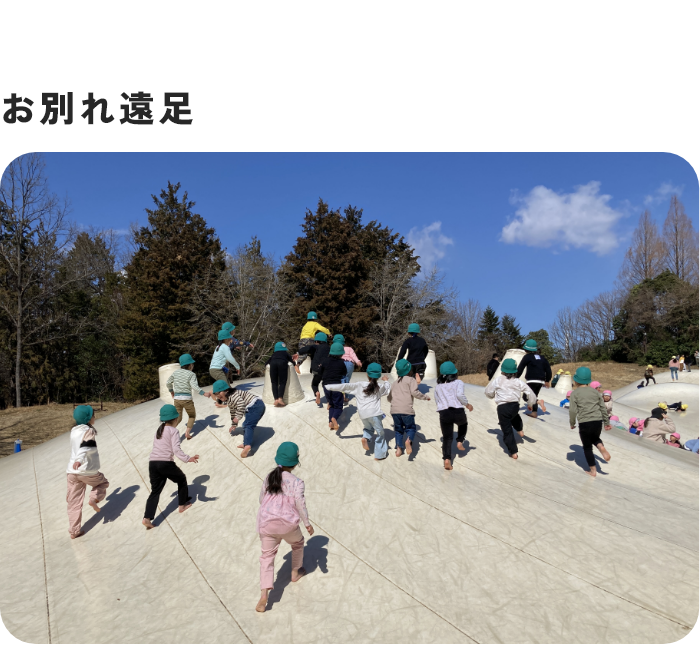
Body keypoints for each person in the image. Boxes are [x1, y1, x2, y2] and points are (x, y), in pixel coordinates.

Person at [256, 442, 313, 613]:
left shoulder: (270, 477)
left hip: (266, 523)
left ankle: (264, 595)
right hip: (288, 525)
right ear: (295, 463)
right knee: (298, 543)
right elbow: (300, 504)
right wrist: (307, 524)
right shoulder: (297, 482)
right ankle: (295, 572)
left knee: (267, 557)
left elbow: (261, 499)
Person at [142, 405, 199, 530]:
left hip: (153, 463)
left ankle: (147, 518)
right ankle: (182, 505)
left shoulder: (159, 429)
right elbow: (176, 449)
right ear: (176, 418)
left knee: (155, 491)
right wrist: (188, 458)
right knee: (181, 479)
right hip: (165, 463)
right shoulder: (174, 431)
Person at [325, 363, 391, 459]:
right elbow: (388, 389)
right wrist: (386, 381)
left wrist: (329, 387)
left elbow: (344, 386)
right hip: (374, 414)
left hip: (363, 415)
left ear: (367, 374)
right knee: (380, 433)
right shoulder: (380, 387)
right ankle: (379, 455)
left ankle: (365, 438)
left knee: (368, 428)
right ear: (378, 376)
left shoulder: (359, 385)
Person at [66, 405, 110, 540]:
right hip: (86, 470)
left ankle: (74, 531)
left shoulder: (73, 431)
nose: (94, 417)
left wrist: (76, 461)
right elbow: (86, 446)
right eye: (93, 415)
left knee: (74, 502)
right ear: (88, 419)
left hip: (72, 472)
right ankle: (93, 499)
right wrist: (79, 460)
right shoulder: (88, 431)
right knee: (102, 483)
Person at [485, 358, 537, 461]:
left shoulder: (498, 380)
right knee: (514, 416)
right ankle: (520, 430)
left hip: (503, 408)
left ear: (502, 370)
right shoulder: (518, 381)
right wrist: (531, 403)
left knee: (507, 430)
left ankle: (513, 452)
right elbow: (530, 392)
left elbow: (488, 391)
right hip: (514, 406)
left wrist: (492, 396)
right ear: (515, 371)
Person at [569, 366, 612, 478]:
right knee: (595, 438)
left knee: (587, 447)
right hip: (597, 421)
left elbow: (573, 410)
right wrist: (606, 422)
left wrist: (572, 423)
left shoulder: (575, 393)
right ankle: (601, 447)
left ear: (576, 381)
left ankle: (593, 470)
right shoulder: (595, 392)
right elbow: (603, 408)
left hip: (585, 422)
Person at [211, 379, 266, 458]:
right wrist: (234, 424)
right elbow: (233, 411)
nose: (218, 396)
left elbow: (241, 405)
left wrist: (238, 417)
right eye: (216, 394)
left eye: (219, 393)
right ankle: (246, 443)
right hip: (252, 407)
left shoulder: (233, 395)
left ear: (226, 390)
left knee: (248, 425)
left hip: (256, 405)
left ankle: (247, 445)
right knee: (245, 425)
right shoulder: (229, 400)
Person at [387, 359, 431, 457]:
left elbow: (389, 397)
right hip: (407, 411)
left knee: (398, 430)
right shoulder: (411, 380)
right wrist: (425, 397)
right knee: (410, 428)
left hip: (394, 411)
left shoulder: (394, 383)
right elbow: (415, 393)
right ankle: (408, 440)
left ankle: (399, 449)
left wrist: (391, 401)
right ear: (410, 371)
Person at [435, 361, 473, 470]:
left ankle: (447, 459)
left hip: (444, 413)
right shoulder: (458, 382)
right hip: (457, 411)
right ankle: (460, 441)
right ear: (454, 373)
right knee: (463, 424)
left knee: (447, 438)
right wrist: (467, 404)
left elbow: (437, 400)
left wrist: (442, 409)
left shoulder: (438, 386)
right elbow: (460, 394)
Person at [166, 354, 213, 439]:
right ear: (190, 365)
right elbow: (194, 386)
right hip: (187, 399)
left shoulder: (176, 372)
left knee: (178, 417)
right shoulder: (191, 374)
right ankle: (187, 433)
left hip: (177, 399)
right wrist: (203, 393)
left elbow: (168, 382)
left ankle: (168, 431)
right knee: (192, 416)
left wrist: (171, 391)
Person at [515, 339, 550, 417]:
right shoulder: (542, 358)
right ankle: (534, 412)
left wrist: (515, 378)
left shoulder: (527, 357)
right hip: (541, 381)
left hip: (531, 380)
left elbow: (520, 369)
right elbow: (548, 370)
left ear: (526, 349)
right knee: (534, 395)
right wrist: (547, 380)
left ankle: (538, 402)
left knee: (525, 397)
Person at [319, 342, 348, 430]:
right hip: (336, 386)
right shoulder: (341, 363)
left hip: (326, 386)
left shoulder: (325, 361)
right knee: (338, 406)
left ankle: (330, 422)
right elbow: (344, 373)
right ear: (341, 354)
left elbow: (320, 372)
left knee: (331, 404)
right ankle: (334, 418)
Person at [298, 332, 331, 407]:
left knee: (314, 384)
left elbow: (307, 348)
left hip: (317, 370)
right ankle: (329, 401)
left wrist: (298, 352)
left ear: (316, 341)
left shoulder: (316, 347)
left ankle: (317, 393)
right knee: (326, 385)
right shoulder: (329, 348)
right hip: (326, 370)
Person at [210, 330, 241, 407]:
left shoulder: (218, 346)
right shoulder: (225, 347)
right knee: (225, 385)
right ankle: (221, 401)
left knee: (225, 384)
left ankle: (222, 401)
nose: (231, 340)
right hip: (216, 370)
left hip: (215, 369)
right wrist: (237, 366)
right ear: (226, 339)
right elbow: (230, 359)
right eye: (230, 338)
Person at [268, 342, 297, 407]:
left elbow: (267, 363)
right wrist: (295, 364)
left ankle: (276, 399)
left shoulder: (273, 355)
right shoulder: (285, 353)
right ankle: (280, 398)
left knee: (274, 382)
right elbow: (291, 361)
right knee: (282, 382)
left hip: (273, 364)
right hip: (282, 363)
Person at [337, 335, 362, 404]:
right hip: (349, 364)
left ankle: (342, 394)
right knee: (347, 379)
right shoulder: (349, 348)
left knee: (341, 379)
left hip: (340, 363)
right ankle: (347, 397)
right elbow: (353, 355)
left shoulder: (336, 348)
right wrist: (357, 361)